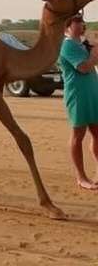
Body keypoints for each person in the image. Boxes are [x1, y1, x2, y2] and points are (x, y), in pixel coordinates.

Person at [58, 13, 98, 190]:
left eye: (82, 21)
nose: (82, 25)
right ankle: (81, 177)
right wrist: (95, 54)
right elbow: (83, 67)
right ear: (68, 25)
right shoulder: (67, 46)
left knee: (97, 133)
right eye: (78, 22)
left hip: (92, 93)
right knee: (78, 135)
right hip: (77, 95)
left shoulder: (81, 44)